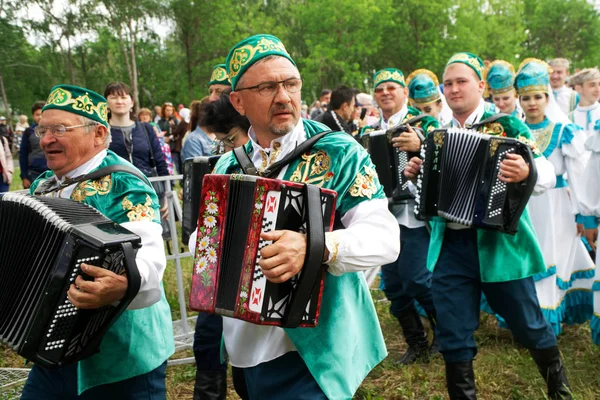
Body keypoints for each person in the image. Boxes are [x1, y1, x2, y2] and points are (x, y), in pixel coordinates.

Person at [190, 33, 399, 400]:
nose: (284, 96)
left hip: (312, 350)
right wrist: (208, 243)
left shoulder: (338, 152)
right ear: (238, 101)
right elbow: (203, 239)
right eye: (267, 87)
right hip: (243, 346)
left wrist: (316, 247)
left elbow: (385, 237)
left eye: (291, 83)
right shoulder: (227, 165)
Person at [405, 52, 571, 400]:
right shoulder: (437, 135)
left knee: (528, 325)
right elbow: (427, 202)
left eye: (461, 81)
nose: (453, 89)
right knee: (453, 334)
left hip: (500, 248)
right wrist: (415, 178)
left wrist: (528, 172)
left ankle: (559, 389)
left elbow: (549, 175)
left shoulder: (508, 126)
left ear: (480, 86)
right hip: (450, 247)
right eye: (447, 84)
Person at [21, 84, 174, 399]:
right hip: (53, 348)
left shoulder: (125, 182)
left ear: (99, 134)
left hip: (122, 357)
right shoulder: (43, 185)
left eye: (60, 129)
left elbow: (151, 264)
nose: (47, 139)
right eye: (43, 129)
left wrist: (121, 285)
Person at [362, 67, 440, 365]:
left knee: (417, 279)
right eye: (380, 89)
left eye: (392, 87)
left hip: (415, 216)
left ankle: (444, 334)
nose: (385, 93)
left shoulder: (426, 123)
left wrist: (422, 145)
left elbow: (446, 160)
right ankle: (415, 343)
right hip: (384, 216)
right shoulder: (369, 130)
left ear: (405, 93)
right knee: (392, 285)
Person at [515, 58, 596, 336]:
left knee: (551, 257)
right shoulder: (513, 131)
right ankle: (528, 317)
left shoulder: (564, 132)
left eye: (538, 96)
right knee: (527, 256)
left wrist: (583, 213)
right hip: (523, 207)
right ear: (519, 100)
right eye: (526, 98)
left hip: (557, 206)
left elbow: (579, 174)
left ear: (547, 98)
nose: (532, 103)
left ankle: (546, 321)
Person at [104, 82, 169, 221]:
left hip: (148, 191)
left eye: (124, 97)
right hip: (114, 196)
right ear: (106, 102)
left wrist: (167, 194)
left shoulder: (146, 129)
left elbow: (160, 161)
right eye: (114, 97)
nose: (119, 101)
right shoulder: (101, 131)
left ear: (132, 102)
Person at [20, 101, 48, 188]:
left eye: (42, 114)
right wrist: (24, 177)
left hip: (53, 172)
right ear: (33, 116)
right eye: (37, 114)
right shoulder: (29, 132)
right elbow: (23, 155)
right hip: (34, 173)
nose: (40, 117)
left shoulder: (55, 130)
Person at [139, 107, 174, 175]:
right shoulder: (137, 127)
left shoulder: (155, 125)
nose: (144, 117)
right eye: (142, 115)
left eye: (147, 115)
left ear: (150, 117)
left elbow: (160, 138)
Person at [569, 68, 600, 135]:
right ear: (578, 88)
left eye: (599, 84)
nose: (598, 89)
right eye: (592, 85)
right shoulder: (569, 118)